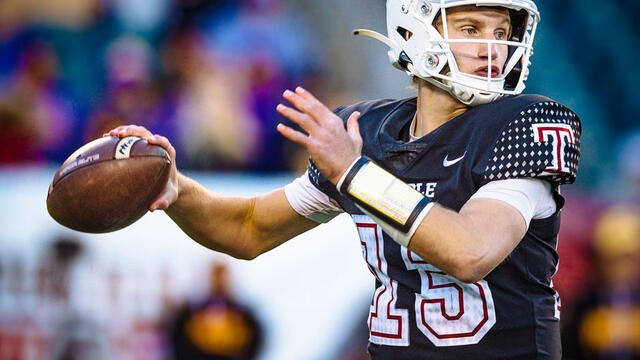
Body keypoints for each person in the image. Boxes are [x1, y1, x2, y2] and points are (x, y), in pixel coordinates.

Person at [107, 0, 581, 358]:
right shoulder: (367, 131)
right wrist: (177, 190)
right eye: (471, 28)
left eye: (502, 31)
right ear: (412, 31)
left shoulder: (523, 123)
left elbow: (470, 252)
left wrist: (354, 174)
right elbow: (248, 228)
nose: (492, 48)